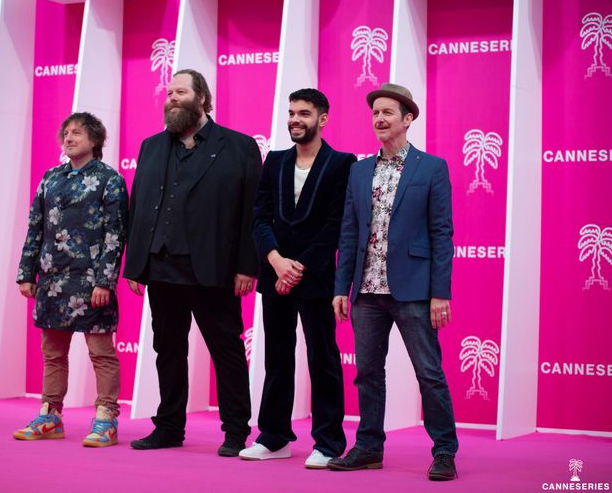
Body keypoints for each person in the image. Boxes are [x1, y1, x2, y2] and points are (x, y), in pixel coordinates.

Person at [124, 69, 262, 457]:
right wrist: (135, 264)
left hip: (214, 269)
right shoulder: (151, 146)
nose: (172, 98)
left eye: (180, 92)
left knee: (226, 351)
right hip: (160, 267)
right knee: (168, 351)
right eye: (169, 93)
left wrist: (247, 265)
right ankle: (168, 427)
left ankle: (235, 430)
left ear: (201, 98)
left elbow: (251, 211)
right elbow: (138, 208)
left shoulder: (238, 146)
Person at [328, 83, 459, 480]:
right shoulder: (359, 171)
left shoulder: (431, 168)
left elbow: (442, 234)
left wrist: (440, 293)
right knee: (367, 373)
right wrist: (341, 288)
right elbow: (349, 232)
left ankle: (444, 451)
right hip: (366, 291)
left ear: (408, 119)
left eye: (388, 112)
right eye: (375, 113)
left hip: (414, 290)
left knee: (429, 373)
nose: (380, 119)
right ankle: (368, 447)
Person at [240, 89, 354, 469]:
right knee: (276, 357)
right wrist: (275, 261)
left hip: (315, 276)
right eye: (291, 113)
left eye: (304, 113)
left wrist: (297, 268)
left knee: (323, 359)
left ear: (322, 119)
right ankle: (273, 438)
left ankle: (329, 442)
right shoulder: (274, 160)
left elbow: (336, 225)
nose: (295, 120)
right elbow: (260, 218)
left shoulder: (341, 164)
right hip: (275, 274)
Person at [14, 112, 128, 448]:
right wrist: (26, 273)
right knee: (52, 352)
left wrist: (105, 281)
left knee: (101, 352)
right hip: (51, 278)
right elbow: (35, 228)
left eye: (77, 132)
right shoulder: (51, 178)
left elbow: (115, 235)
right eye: (65, 133)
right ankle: (50, 416)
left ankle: (106, 419)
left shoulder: (110, 180)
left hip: (91, 282)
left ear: (95, 139)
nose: (68, 137)